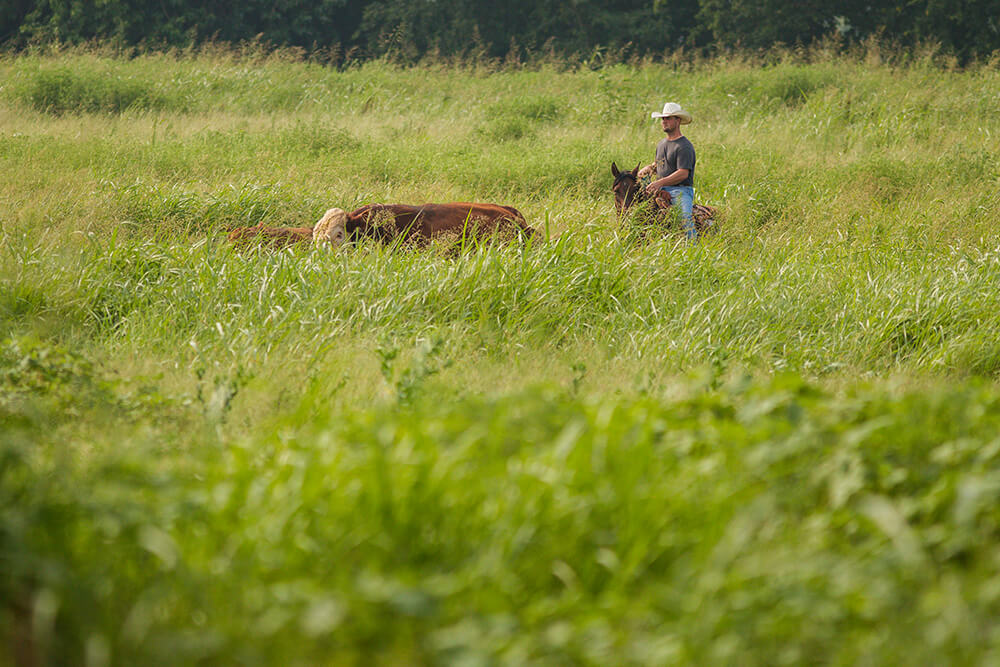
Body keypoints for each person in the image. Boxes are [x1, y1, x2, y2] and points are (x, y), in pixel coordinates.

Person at [638, 102, 698, 241]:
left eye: (668, 118)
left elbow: (683, 173)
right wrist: (650, 168)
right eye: (663, 119)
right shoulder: (661, 144)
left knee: (684, 219)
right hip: (660, 189)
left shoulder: (684, 146)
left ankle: (692, 247)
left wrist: (660, 182)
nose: (664, 121)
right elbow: (661, 163)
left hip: (680, 191)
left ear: (678, 121)